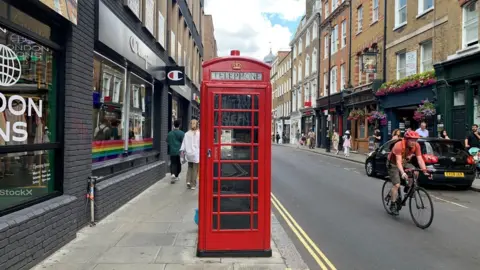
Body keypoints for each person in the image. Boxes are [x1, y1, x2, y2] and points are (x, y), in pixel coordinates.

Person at [387, 130, 429, 215]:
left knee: (415, 172)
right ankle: (392, 204)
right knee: (397, 185)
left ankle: (408, 188)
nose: (414, 142)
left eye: (415, 140)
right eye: (411, 140)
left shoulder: (416, 146)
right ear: (406, 139)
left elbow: (420, 159)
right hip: (393, 163)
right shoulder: (398, 145)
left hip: (404, 162)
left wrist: (425, 171)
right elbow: (398, 162)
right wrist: (402, 173)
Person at [180, 119, 200, 189]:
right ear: (197, 124)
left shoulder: (186, 133)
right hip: (196, 154)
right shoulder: (199, 133)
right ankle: (193, 184)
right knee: (195, 169)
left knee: (189, 167)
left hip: (188, 154)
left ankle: (188, 181)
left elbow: (183, 144)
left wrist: (182, 154)